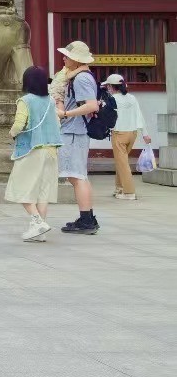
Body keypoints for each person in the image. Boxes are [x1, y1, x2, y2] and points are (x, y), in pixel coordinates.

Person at [5, 66, 61, 241]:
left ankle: (37, 221)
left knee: (20, 187)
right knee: (42, 193)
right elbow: (57, 123)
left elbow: (19, 123)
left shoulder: (25, 100)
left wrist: (12, 134)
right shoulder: (50, 101)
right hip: (51, 150)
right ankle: (39, 232)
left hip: (32, 149)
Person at [55, 40, 101, 234]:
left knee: (77, 177)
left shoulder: (81, 78)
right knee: (79, 176)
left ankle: (86, 221)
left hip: (74, 132)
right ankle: (87, 218)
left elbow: (92, 105)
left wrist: (65, 114)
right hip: (77, 131)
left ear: (76, 59)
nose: (64, 59)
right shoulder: (80, 76)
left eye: (67, 56)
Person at [103, 73, 150, 201]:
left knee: (122, 163)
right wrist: (145, 134)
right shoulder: (132, 98)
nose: (107, 89)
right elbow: (139, 115)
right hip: (132, 133)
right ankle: (119, 188)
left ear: (111, 87)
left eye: (107, 86)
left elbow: (105, 116)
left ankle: (129, 192)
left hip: (119, 134)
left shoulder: (112, 99)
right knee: (121, 161)